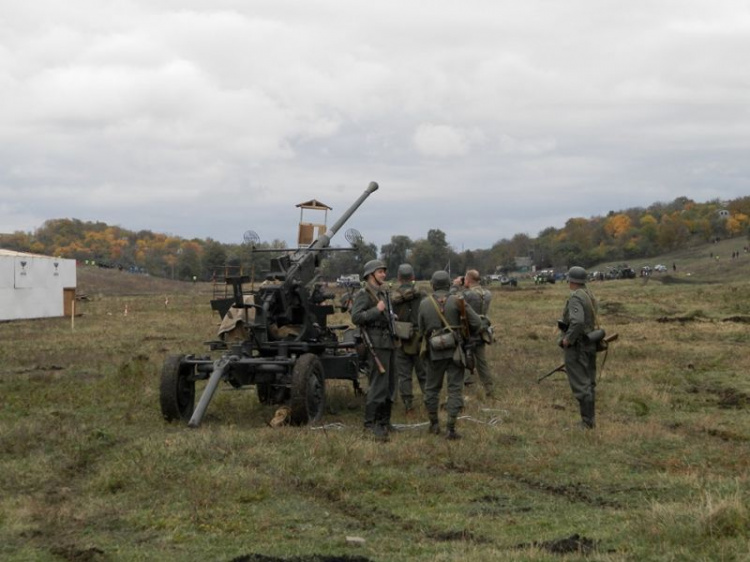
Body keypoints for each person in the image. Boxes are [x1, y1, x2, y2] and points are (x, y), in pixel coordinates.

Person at [418, 270, 481, 440]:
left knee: (431, 389)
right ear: (448, 284)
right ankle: (451, 428)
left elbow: (420, 329)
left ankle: (434, 424)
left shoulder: (424, 304)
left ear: (432, 284)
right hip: (455, 353)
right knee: (454, 390)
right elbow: (477, 323)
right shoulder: (457, 301)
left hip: (433, 353)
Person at [351, 259, 397, 441]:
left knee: (391, 385)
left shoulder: (382, 293)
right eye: (380, 272)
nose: (383, 275)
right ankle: (370, 424)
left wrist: (389, 315)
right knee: (378, 385)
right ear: (371, 275)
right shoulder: (365, 294)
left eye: (384, 272)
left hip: (389, 342)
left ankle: (384, 422)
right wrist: (376, 311)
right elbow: (356, 317)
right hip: (376, 344)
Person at [559, 266, 598, 429]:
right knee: (589, 382)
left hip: (578, 345)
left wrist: (568, 339)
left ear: (571, 280)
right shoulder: (589, 295)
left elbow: (578, 321)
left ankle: (587, 422)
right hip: (590, 342)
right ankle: (590, 420)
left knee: (581, 383)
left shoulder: (576, 297)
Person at [452, 269, 495, 399]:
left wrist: (455, 285)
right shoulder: (487, 293)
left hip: (468, 330)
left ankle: (464, 383)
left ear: (468, 280)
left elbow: (452, 299)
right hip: (482, 330)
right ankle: (489, 388)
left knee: (462, 357)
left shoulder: (468, 294)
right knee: (481, 361)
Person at [391, 263, 427, 414]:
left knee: (404, 375)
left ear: (399, 278)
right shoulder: (422, 294)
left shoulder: (392, 297)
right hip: (420, 338)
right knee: (424, 373)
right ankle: (429, 402)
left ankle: (408, 406)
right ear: (413, 277)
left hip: (401, 338)